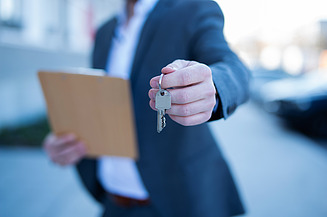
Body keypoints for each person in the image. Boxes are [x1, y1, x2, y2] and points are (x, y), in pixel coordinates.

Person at [43, 0, 250, 216]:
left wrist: (215, 86)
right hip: (111, 203)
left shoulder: (193, 9)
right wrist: (68, 139)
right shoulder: (105, 31)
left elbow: (233, 67)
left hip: (175, 204)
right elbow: (102, 106)